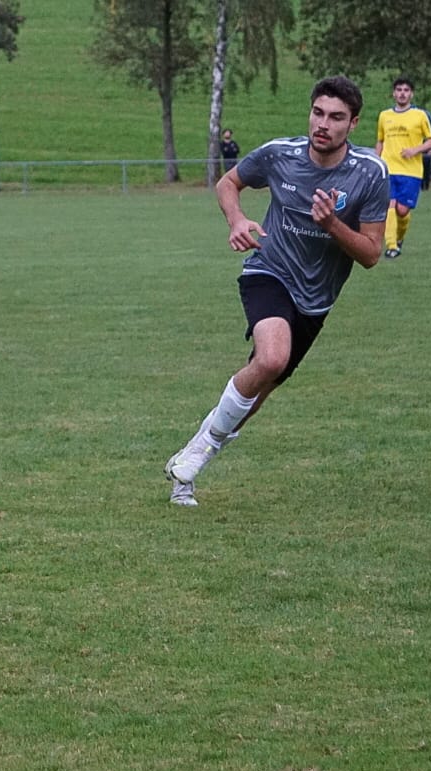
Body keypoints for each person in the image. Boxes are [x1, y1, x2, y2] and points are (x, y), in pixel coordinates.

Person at [164, 76, 389, 507]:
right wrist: (236, 221)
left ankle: (190, 460)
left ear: (354, 123)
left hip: (316, 300)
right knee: (271, 358)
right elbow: (227, 183)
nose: (323, 124)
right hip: (268, 270)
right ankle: (193, 456)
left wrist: (332, 225)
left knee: (258, 392)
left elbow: (371, 253)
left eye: (336, 117)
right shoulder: (279, 155)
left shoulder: (369, 174)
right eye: (318, 112)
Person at [374, 77, 431, 258]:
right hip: (389, 169)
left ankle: (399, 238)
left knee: (402, 211)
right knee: (390, 205)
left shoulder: (420, 115)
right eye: (399, 89)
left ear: (411, 94)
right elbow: (380, 141)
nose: (402, 93)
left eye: (406, 90)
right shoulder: (385, 116)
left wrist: (415, 150)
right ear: (393, 93)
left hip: (411, 172)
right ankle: (391, 246)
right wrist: (377, 163)